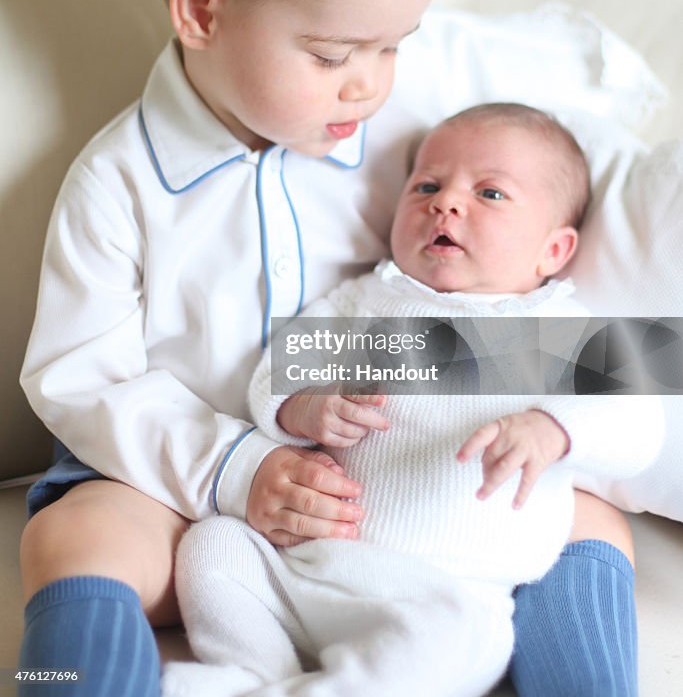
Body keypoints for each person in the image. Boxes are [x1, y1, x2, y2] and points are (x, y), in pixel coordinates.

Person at [17, 0, 638, 697]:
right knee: (70, 537)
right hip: (177, 478)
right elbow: (81, 380)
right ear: (200, 13)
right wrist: (237, 465)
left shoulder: (417, 137)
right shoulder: (119, 184)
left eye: (392, 48)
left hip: (394, 479)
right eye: (331, 55)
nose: (369, 88)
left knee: (589, 519)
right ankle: (73, 681)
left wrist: (536, 407)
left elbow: (555, 114)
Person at [164, 104, 663, 697]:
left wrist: (551, 428)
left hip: (448, 592)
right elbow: (276, 372)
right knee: (214, 545)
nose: (445, 202)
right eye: (427, 184)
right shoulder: (366, 302)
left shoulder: (555, 327)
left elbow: (639, 424)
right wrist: (304, 404)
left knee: (460, 642)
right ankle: (253, 670)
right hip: (307, 569)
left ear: (553, 251)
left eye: (490, 193)